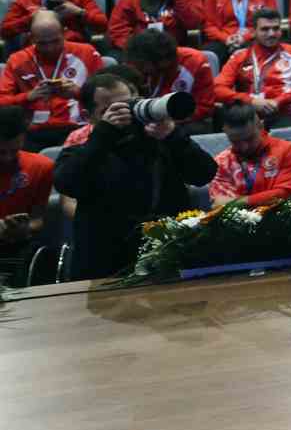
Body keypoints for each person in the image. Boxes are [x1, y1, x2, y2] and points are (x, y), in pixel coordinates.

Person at [52, 66, 218, 279]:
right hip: (105, 266)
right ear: (88, 116)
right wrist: (104, 135)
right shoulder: (83, 152)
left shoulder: (163, 141)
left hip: (167, 256)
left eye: (128, 106)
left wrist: (173, 136)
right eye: (111, 111)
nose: (123, 116)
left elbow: (204, 174)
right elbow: (67, 183)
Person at [0, 9, 102, 149]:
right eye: (42, 43)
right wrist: (28, 96)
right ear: (31, 38)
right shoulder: (17, 60)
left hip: (78, 126)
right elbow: (2, 102)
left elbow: (105, 96)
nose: (50, 48)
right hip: (33, 131)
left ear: (64, 33)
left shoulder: (87, 53)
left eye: (55, 41)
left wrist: (77, 93)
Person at [216, 6, 291, 125]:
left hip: (286, 112)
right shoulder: (240, 57)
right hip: (250, 117)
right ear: (253, 32)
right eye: (265, 29)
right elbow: (218, 89)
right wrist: (251, 101)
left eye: (276, 28)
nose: (271, 34)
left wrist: (279, 101)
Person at [204, 102, 291, 206]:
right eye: (235, 141)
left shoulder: (287, 151)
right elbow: (221, 206)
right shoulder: (221, 162)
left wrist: (240, 201)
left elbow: (284, 193)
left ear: (261, 126)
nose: (244, 147)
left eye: (249, 139)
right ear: (225, 132)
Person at [123, 27, 220, 129]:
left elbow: (205, 108)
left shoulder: (195, 62)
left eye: (143, 65)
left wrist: (171, 121)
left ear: (163, 61)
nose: (140, 68)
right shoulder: (138, 65)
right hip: (150, 116)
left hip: (186, 120)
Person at [0, 109, 54, 283]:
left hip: (18, 247)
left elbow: (38, 219)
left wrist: (25, 228)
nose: (8, 158)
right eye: (1, 152)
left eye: (14, 150)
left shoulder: (42, 166)